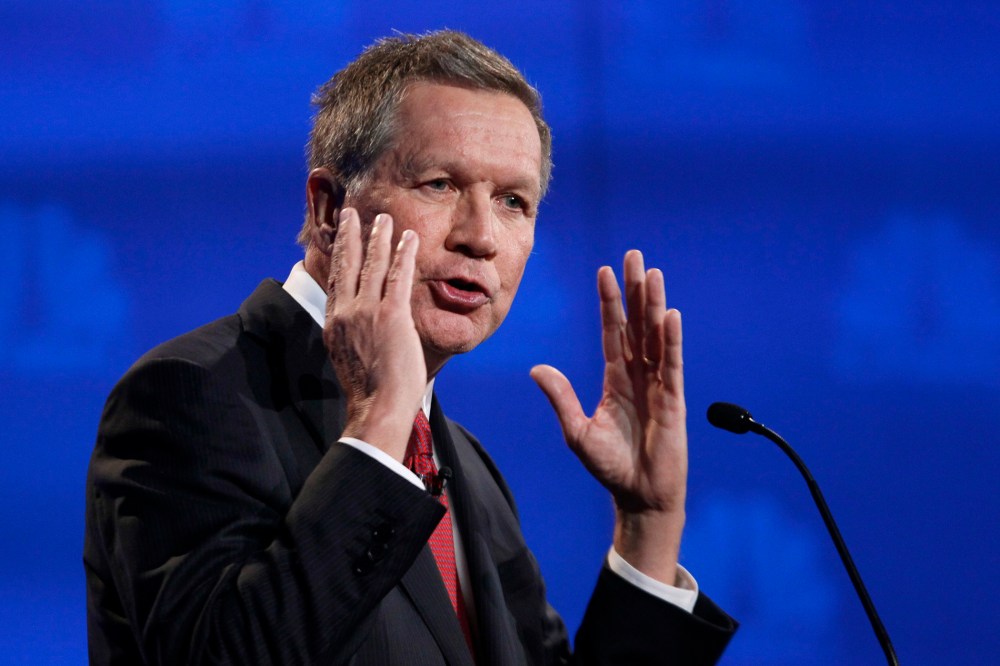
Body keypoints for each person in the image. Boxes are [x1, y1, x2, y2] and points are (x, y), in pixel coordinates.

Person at [84, 30, 737, 665]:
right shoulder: (192, 393)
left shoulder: (470, 472)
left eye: (514, 200)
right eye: (440, 185)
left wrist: (647, 526)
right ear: (328, 208)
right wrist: (377, 427)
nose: (481, 236)